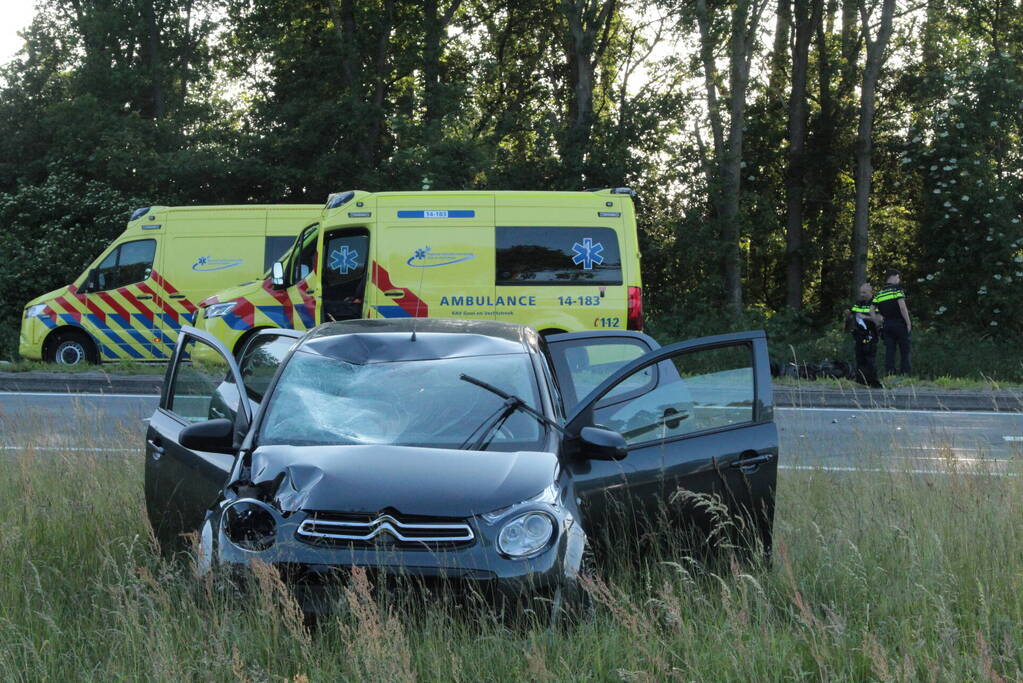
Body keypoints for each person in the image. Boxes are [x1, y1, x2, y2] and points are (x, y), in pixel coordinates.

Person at [871, 268, 912, 375]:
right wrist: (908, 323)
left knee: (890, 351)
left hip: (887, 325)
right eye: (898, 278)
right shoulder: (897, 291)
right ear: (892, 277)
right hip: (900, 324)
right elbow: (902, 308)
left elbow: (872, 311)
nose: (899, 280)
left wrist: (878, 324)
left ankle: (890, 373)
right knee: (904, 350)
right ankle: (905, 374)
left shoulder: (879, 294)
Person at [847, 283, 882, 387]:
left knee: (870, 358)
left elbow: (880, 319)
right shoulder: (859, 303)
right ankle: (861, 380)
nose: (862, 294)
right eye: (861, 292)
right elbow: (852, 313)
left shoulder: (876, 303)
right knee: (859, 357)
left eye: (864, 292)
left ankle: (873, 381)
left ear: (871, 292)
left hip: (871, 334)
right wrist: (848, 314)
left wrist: (865, 317)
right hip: (859, 334)